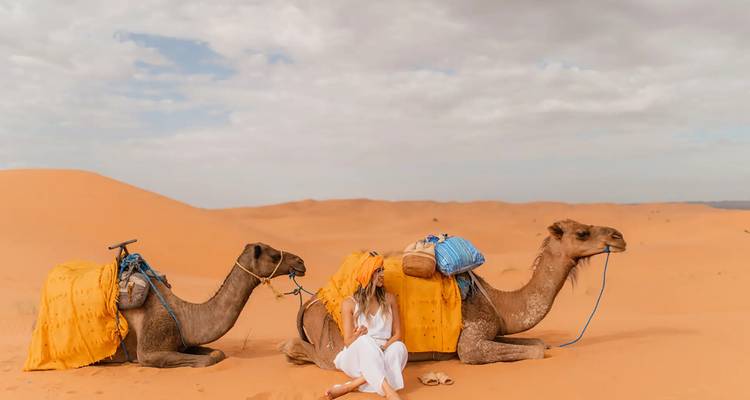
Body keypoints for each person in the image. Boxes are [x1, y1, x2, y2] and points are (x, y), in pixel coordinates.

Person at [324, 254, 407, 400]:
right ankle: (389, 392)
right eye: (378, 271)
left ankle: (350, 386)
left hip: (384, 350)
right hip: (357, 355)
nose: (382, 274)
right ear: (367, 274)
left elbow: (397, 334)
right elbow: (348, 342)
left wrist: (383, 348)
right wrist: (359, 334)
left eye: (383, 270)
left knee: (399, 347)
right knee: (365, 341)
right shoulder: (349, 303)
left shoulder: (390, 299)